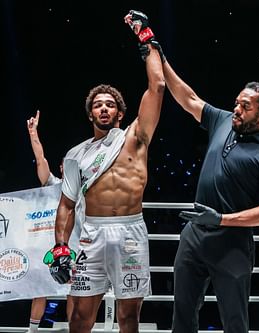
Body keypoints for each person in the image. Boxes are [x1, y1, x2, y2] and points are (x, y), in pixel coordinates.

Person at [151, 13, 259, 331]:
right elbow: (188, 98)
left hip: (233, 244)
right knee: (182, 313)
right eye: (237, 103)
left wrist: (223, 220)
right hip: (194, 237)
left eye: (245, 106)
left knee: (234, 321)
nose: (237, 109)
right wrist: (160, 56)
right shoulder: (224, 120)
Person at [47, 10, 165, 333]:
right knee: (79, 317)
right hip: (91, 236)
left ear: (120, 112)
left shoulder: (136, 138)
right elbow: (66, 205)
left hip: (130, 233)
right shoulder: (76, 155)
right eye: (97, 104)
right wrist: (60, 248)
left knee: (129, 319)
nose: (103, 108)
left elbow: (157, 86)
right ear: (90, 115)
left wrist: (146, 39)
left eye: (109, 104)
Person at [26, 110, 75, 332]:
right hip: (48, 245)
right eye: (66, 165)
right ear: (62, 168)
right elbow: (40, 159)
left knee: (76, 290)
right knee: (40, 288)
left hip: (74, 245)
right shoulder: (51, 184)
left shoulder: (84, 191)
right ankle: (32, 330)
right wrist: (33, 133)